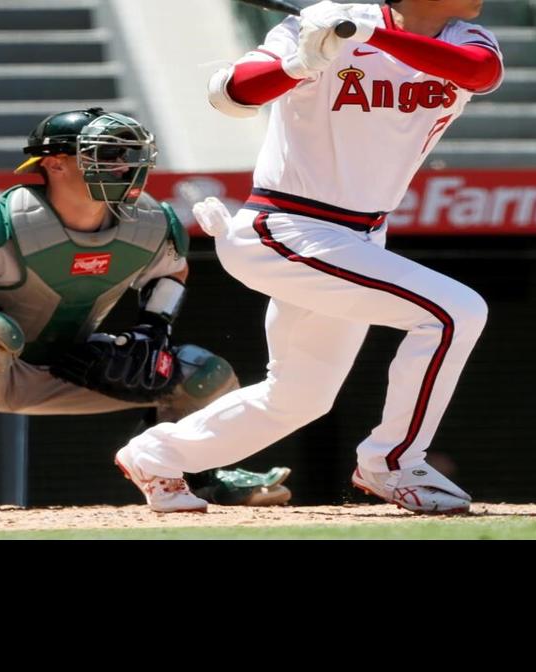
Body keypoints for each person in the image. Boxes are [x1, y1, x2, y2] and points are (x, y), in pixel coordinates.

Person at [113, 0, 500, 514]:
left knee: (299, 397)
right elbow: (230, 93)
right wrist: (301, 63)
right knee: (456, 311)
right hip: (287, 228)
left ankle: (156, 455)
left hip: (358, 239)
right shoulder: (319, 25)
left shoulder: (468, 40)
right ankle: (392, 462)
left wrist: (374, 37)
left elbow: (481, 73)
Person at [0, 107, 291, 512]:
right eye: (107, 154)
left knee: (204, 372)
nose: (125, 165)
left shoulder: (151, 222)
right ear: (54, 163)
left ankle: (202, 473)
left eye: (129, 154)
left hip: (66, 365)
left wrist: (151, 330)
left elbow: (170, 275)